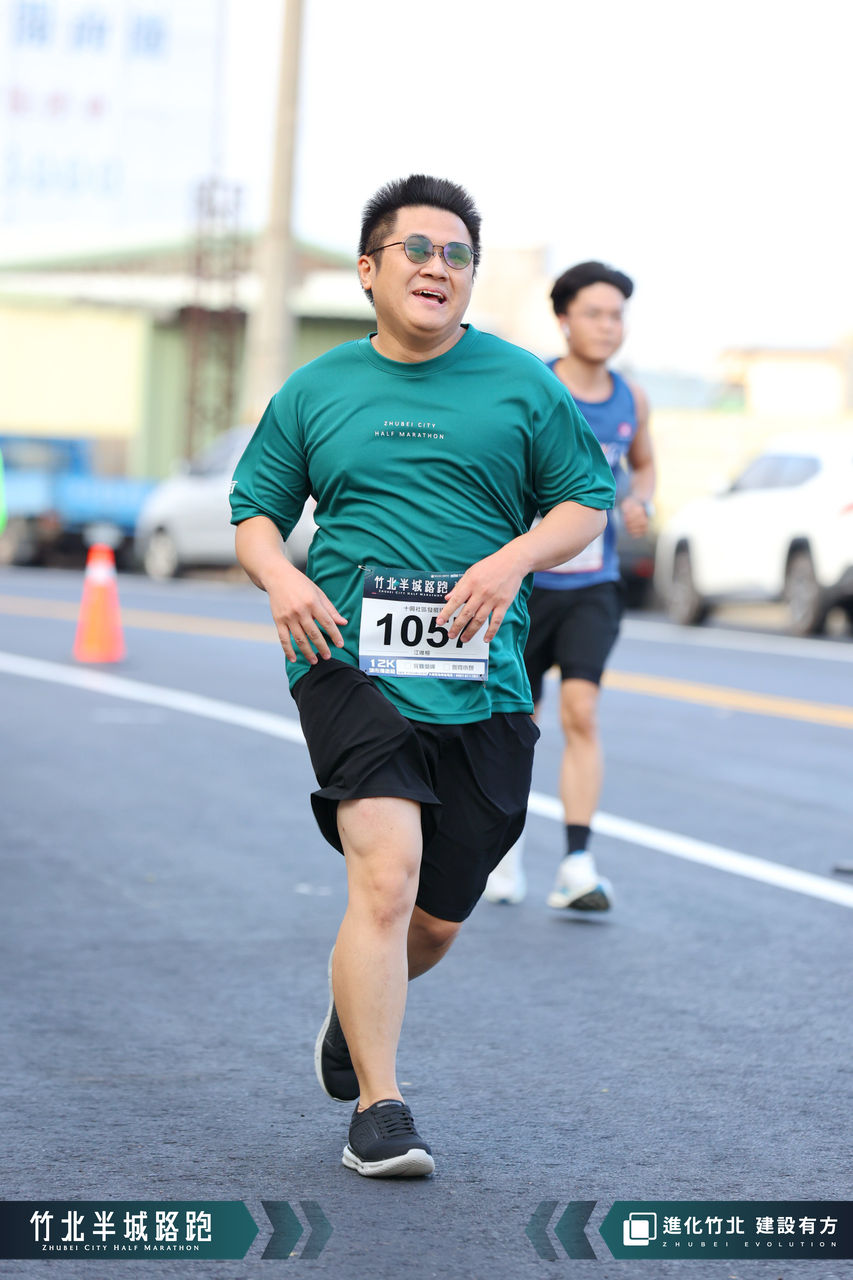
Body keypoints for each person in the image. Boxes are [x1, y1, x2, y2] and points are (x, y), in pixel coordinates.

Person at [229, 177, 616, 1178]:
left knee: (436, 920)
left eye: (456, 254)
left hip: (483, 676)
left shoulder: (520, 383)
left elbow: (584, 501)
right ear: (369, 270)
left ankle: (353, 1007)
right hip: (344, 661)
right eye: (417, 249)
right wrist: (281, 577)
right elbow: (255, 510)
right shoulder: (315, 388)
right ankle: (380, 1108)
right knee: (386, 873)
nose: (438, 267)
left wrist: (510, 561)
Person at [484, 261, 655, 911]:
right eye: (593, 314)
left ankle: (577, 864)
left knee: (581, 712)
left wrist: (639, 500)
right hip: (526, 586)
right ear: (563, 319)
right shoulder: (535, 386)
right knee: (514, 722)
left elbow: (643, 465)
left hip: (593, 585)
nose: (607, 326)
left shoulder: (631, 398)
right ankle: (501, 853)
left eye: (616, 315)